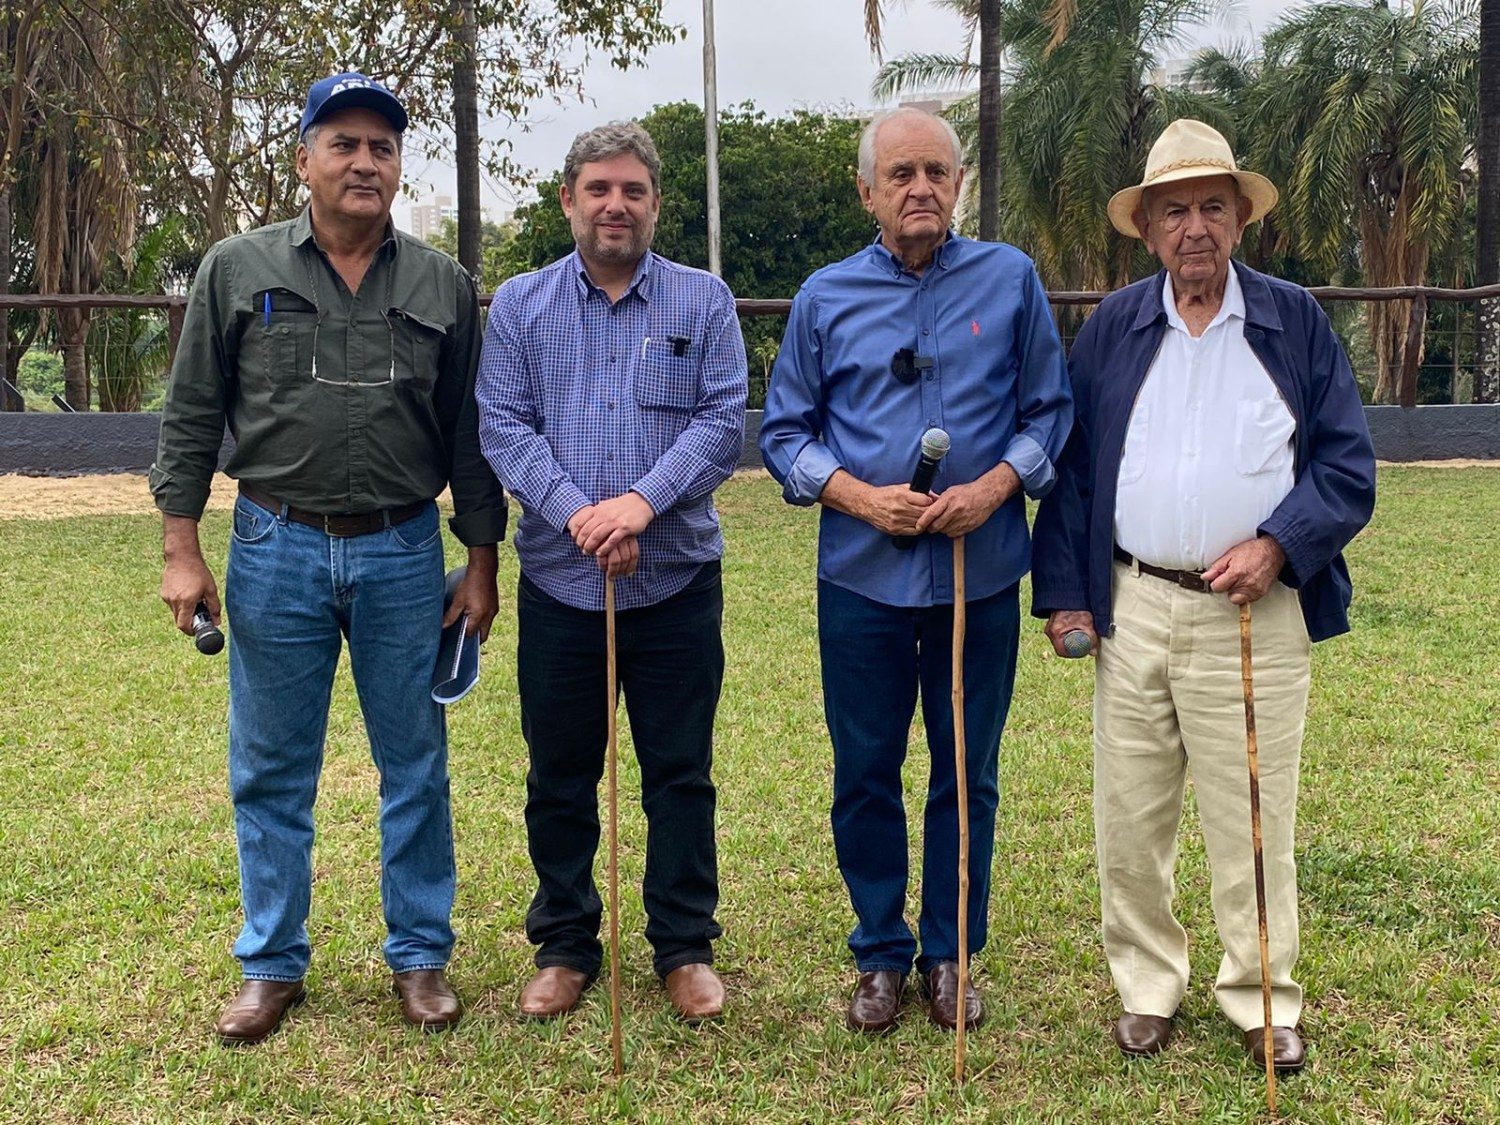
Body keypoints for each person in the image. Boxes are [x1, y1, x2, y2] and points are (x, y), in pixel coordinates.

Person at [151, 73, 505, 1045]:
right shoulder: (236, 267)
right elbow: (190, 419)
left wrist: (481, 560)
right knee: (269, 767)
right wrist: (183, 551)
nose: (363, 161)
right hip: (275, 546)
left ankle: (421, 958)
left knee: (416, 765)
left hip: (402, 551)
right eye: (342, 143)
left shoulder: (440, 286)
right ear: (303, 158)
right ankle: (270, 965)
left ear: (397, 166)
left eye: (381, 147)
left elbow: (468, 436)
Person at [1032, 119, 1376, 1071]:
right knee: (1130, 818)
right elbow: (1072, 470)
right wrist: (1067, 597)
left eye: (1211, 208)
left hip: (1252, 612)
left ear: (1239, 221)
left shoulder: (1292, 319)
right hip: (1134, 604)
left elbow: (1346, 467)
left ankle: (1262, 996)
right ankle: (1147, 985)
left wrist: (1278, 544)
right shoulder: (1110, 328)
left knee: (1254, 814)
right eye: (1174, 210)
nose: (1194, 227)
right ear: (1146, 229)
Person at [759, 106, 1073, 1034]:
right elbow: (784, 436)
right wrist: (857, 495)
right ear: (867, 191)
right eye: (901, 174)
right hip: (862, 577)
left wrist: (998, 484)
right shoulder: (823, 298)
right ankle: (880, 952)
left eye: (937, 171)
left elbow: (1051, 412)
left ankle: (951, 953)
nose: (921, 188)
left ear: (960, 183)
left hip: (979, 574)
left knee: (966, 770)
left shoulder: (1011, 281)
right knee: (865, 769)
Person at [475, 122, 746, 1023]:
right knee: (560, 771)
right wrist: (584, 518)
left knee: (679, 771)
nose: (615, 205)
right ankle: (563, 943)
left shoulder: (704, 302)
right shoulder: (520, 304)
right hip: (560, 583)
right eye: (598, 189)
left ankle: (683, 944)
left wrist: (639, 504)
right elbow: (503, 427)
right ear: (568, 200)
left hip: (673, 581)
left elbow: (720, 422)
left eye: (633, 190)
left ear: (656, 202)